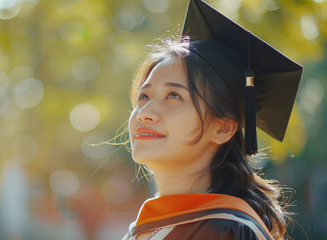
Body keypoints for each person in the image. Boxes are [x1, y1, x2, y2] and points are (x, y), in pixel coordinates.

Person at [122, 0, 303, 239]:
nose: (145, 112)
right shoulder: (145, 229)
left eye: (173, 95)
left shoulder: (228, 229)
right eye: (144, 96)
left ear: (223, 128)